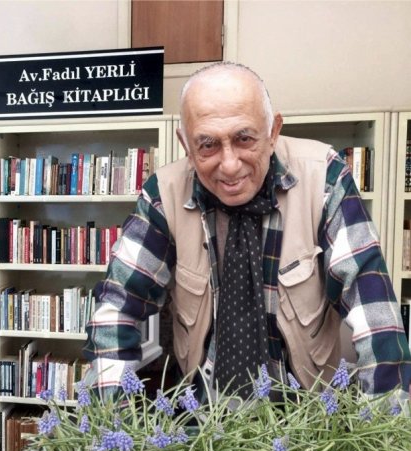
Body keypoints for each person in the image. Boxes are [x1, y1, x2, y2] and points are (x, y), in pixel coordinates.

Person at [83, 61, 411, 401]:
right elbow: (117, 307)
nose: (229, 165)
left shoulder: (324, 178)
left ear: (273, 131)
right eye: (207, 144)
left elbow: (375, 312)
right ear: (185, 145)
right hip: (203, 412)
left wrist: (385, 421)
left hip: (307, 412)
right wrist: (110, 415)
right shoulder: (162, 194)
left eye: (244, 139)